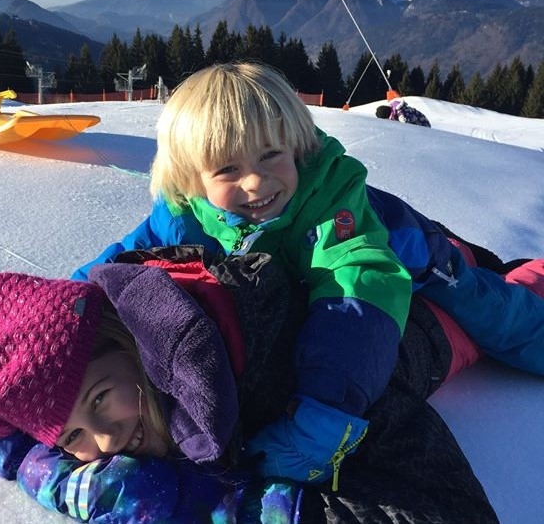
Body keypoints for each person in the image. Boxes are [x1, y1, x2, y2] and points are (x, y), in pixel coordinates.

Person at [70, 61, 544, 485]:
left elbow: (354, 288)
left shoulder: (330, 205)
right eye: (228, 169)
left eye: (271, 155)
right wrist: (60, 310)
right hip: (314, 256)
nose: (255, 181)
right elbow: (112, 268)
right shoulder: (180, 214)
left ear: (297, 147)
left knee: (485, 304)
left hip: (404, 243)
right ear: (192, 179)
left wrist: (324, 412)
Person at [0, 242, 543, 522]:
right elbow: (9, 427)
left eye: (97, 399)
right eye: (73, 435)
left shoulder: (298, 376)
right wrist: (7, 450)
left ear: (123, 334)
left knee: (508, 300)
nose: (107, 440)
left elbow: (443, 511)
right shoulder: (121, 363)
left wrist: (215, 507)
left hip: (414, 327)